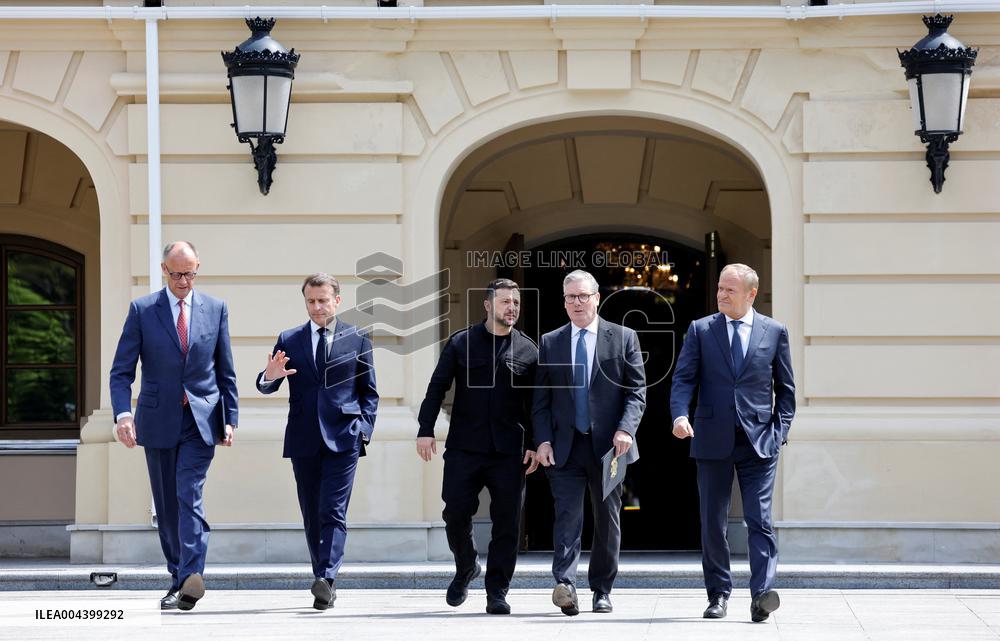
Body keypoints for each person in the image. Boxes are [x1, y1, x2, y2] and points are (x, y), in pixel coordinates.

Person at [110, 241, 238, 611]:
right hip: (158, 419)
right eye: (177, 273)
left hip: (201, 419)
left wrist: (230, 418)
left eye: (191, 272)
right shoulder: (143, 310)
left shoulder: (215, 309)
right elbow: (121, 371)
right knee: (167, 507)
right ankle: (178, 577)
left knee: (189, 494)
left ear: (198, 268)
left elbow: (225, 370)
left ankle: (190, 576)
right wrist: (123, 414)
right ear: (164, 270)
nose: (184, 280)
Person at [670, 263, 795, 623]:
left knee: (760, 520)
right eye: (720, 289)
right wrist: (680, 415)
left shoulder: (774, 331)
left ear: (751, 294)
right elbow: (683, 379)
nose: (721, 295)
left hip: (760, 442)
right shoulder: (701, 330)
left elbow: (786, 392)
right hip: (711, 438)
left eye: (729, 290)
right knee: (713, 522)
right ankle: (718, 595)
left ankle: (761, 595)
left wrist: (779, 433)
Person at [416, 278, 539, 615]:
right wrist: (425, 429)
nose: (511, 307)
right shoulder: (461, 343)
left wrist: (536, 442)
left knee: (507, 524)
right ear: (487, 305)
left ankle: (497, 591)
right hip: (465, 448)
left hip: (509, 452)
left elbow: (538, 404)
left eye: (515, 302)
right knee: (454, 513)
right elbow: (436, 388)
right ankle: (466, 565)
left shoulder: (529, 350)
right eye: (504, 302)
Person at [256, 273, 378, 611]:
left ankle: (326, 577)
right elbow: (265, 383)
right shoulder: (290, 338)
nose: (317, 307)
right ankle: (323, 579)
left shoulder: (357, 337)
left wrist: (363, 429)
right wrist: (269, 376)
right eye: (311, 301)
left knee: (333, 510)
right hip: (303, 438)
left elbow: (370, 392)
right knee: (312, 512)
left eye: (323, 300)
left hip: (345, 438)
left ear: (337, 300)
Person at [533, 269, 646, 616]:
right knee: (566, 516)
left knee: (607, 519)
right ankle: (565, 585)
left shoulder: (624, 337)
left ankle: (601, 589)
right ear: (564, 302)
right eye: (571, 297)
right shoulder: (551, 341)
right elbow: (540, 399)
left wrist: (626, 429)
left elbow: (636, 391)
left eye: (584, 296)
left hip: (610, 448)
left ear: (597, 297)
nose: (577, 303)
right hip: (565, 446)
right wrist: (543, 440)